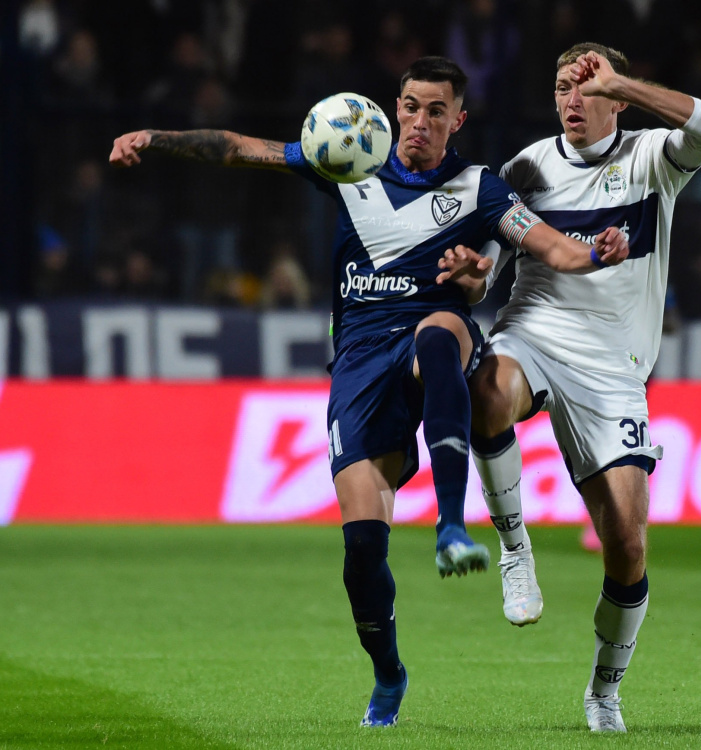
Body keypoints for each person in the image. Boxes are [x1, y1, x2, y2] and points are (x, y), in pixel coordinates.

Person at [108, 55, 627, 728]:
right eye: (410, 106)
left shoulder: (480, 190)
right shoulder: (347, 160)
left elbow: (553, 249)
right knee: (361, 550)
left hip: (430, 340)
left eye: (436, 111)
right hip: (357, 361)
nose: (419, 121)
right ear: (394, 108)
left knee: (441, 333)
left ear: (457, 120)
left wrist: (595, 253)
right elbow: (239, 149)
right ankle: (388, 674)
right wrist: (155, 139)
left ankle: (450, 526)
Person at [439, 43, 701, 732]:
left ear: (618, 97)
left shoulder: (653, 159)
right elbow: (488, 268)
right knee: (485, 387)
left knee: (627, 544)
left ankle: (605, 690)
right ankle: (514, 548)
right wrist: (471, 274)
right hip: (534, 334)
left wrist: (623, 78)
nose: (572, 99)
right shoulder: (526, 168)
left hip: (614, 370)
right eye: (562, 86)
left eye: (588, 85)